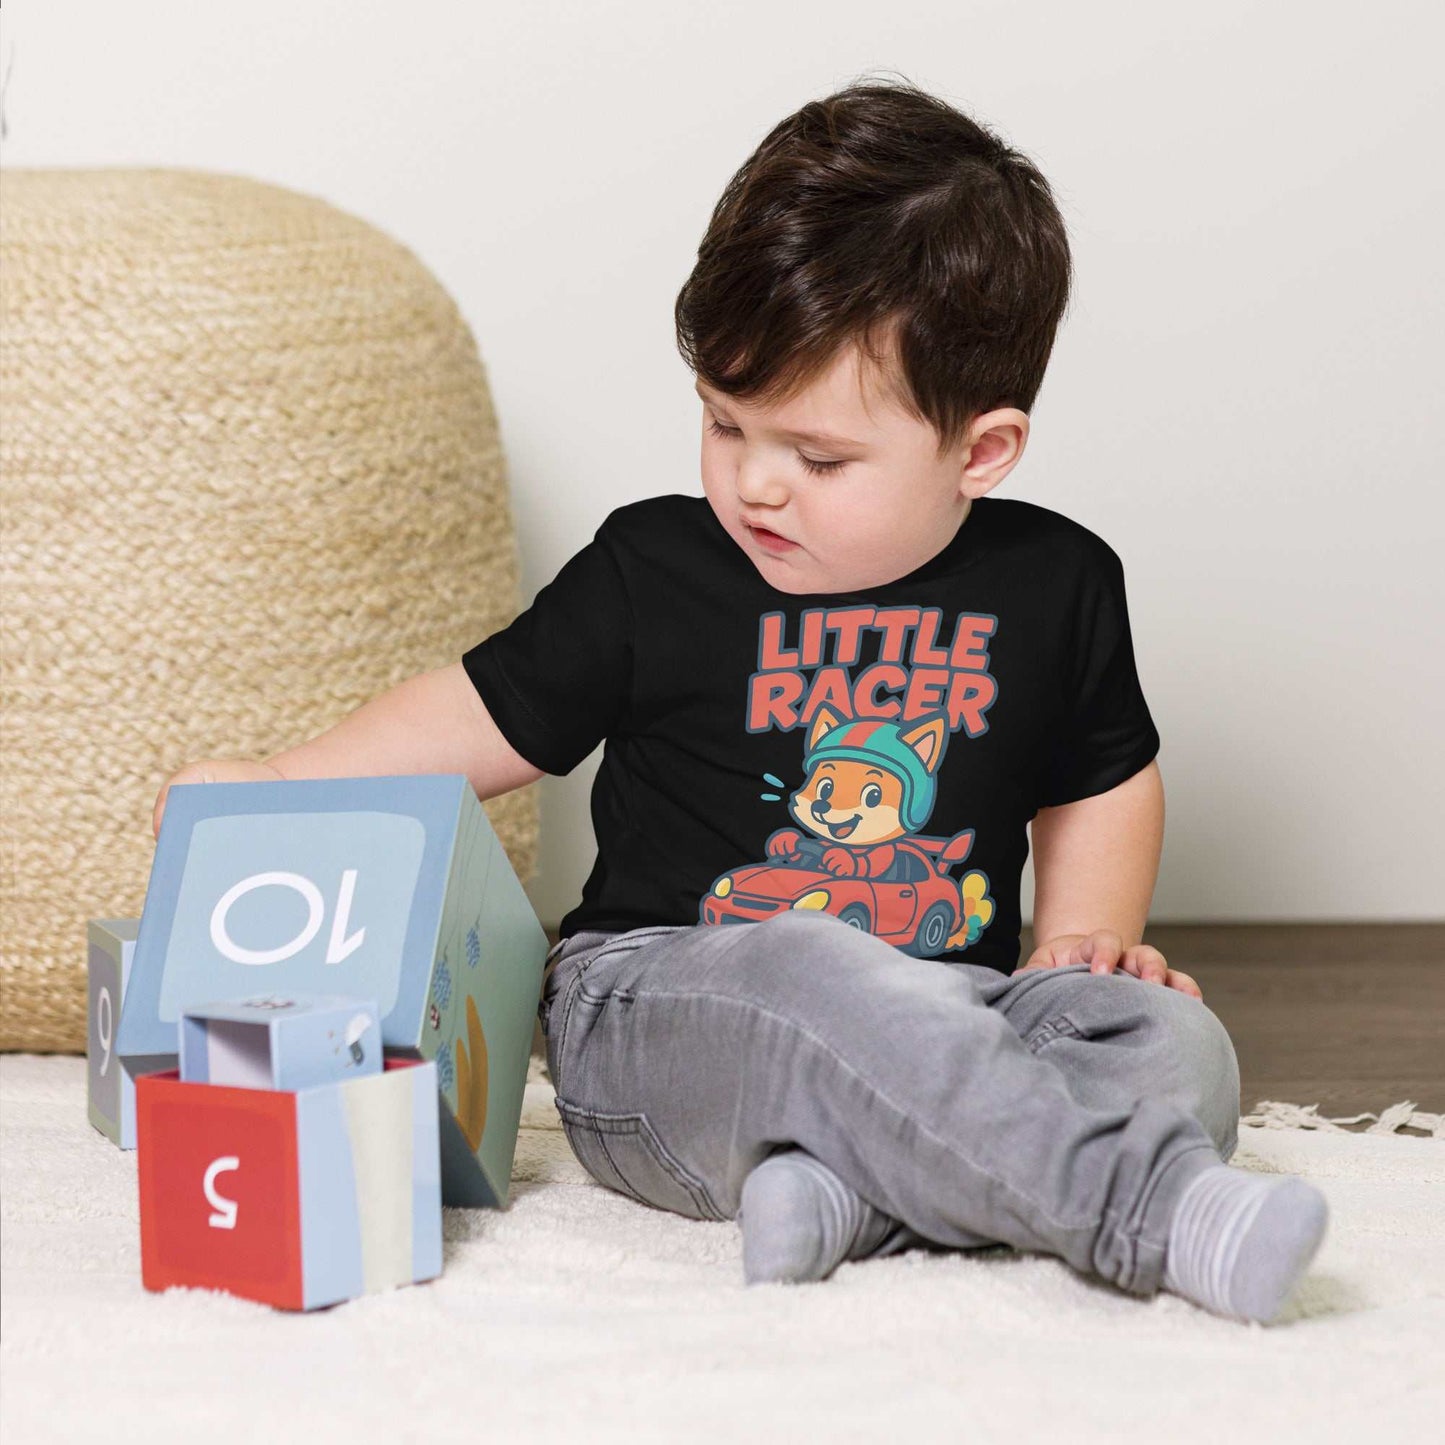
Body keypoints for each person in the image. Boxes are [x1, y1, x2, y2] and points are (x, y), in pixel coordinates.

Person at [153, 77, 1328, 1323]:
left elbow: (1097, 774)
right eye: (724, 423)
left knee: (1173, 1043)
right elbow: (475, 715)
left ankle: (851, 1198)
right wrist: (279, 786)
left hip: (958, 1009)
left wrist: (1074, 945)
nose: (755, 484)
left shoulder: (1057, 582)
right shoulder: (649, 570)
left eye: (817, 458)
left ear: (978, 451)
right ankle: (1132, 1207)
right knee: (811, 970)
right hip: (666, 1006)